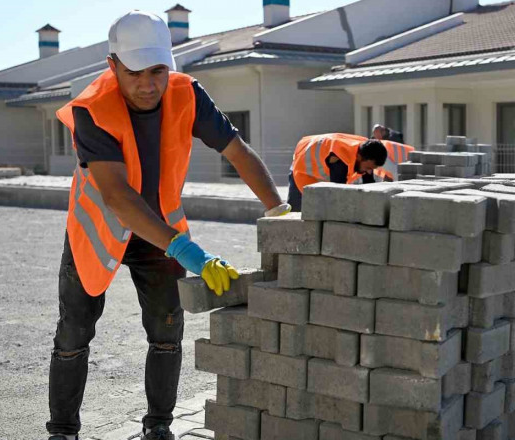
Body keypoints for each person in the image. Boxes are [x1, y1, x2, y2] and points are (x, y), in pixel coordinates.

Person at [46, 11, 289, 440]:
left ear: (169, 65)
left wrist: (279, 210)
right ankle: (62, 432)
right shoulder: (93, 108)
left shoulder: (187, 94)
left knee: (166, 332)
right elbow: (118, 197)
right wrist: (188, 252)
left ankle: (158, 428)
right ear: (113, 66)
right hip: (98, 229)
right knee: (74, 334)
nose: (148, 84)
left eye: (158, 70)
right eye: (135, 72)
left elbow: (236, 150)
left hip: (160, 229)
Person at [286, 133, 388, 212]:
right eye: (368, 167)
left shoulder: (367, 149)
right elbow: (338, 195)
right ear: (359, 157)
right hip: (303, 169)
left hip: (321, 165)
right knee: (297, 212)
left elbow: (369, 185)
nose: (369, 172)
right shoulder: (339, 158)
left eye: (372, 169)